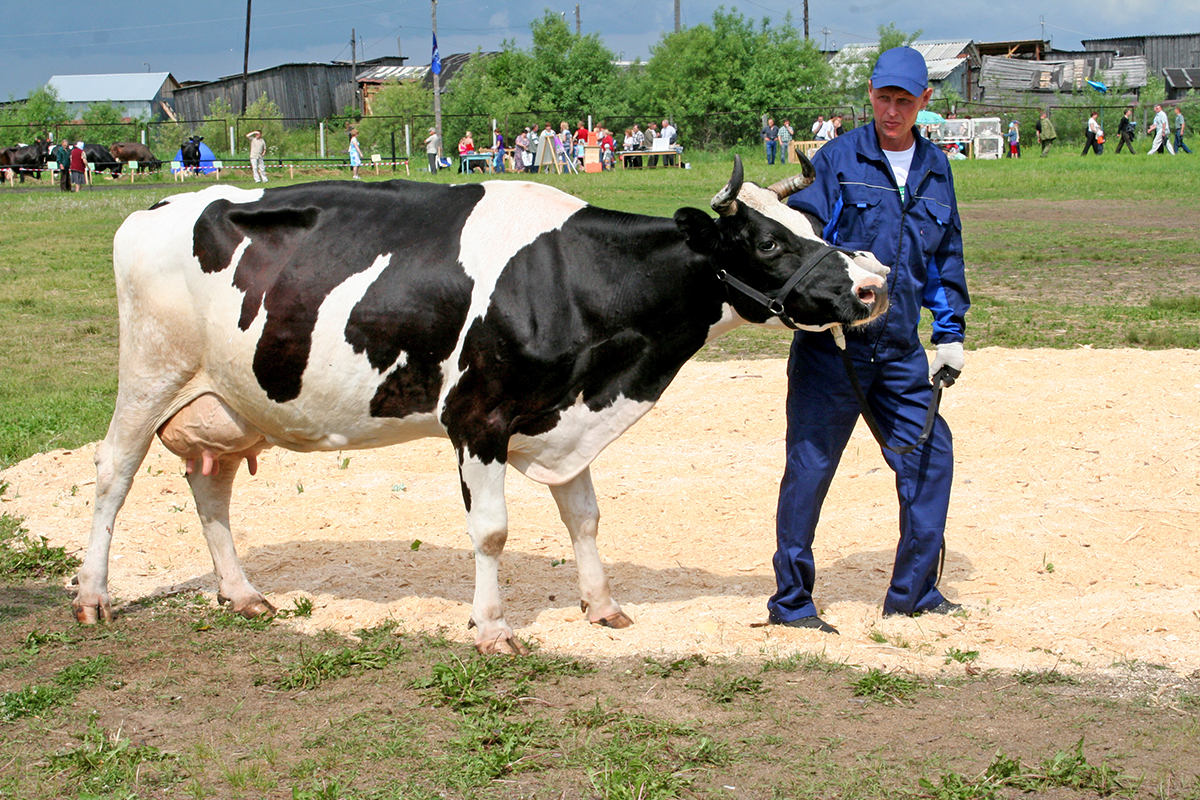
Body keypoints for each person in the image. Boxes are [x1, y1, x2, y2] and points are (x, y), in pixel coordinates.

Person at [774, 45, 969, 632]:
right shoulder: (838, 159)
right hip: (832, 350)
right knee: (809, 469)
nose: (891, 111)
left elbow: (946, 257)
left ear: (924, 102)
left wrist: (950, 332)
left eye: (904, 101)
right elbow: (801, 238)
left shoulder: (937, 170)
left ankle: (912, 593)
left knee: (931, 457)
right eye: (883, 98)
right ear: (870, 94)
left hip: (901, 350)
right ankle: (792, 603)